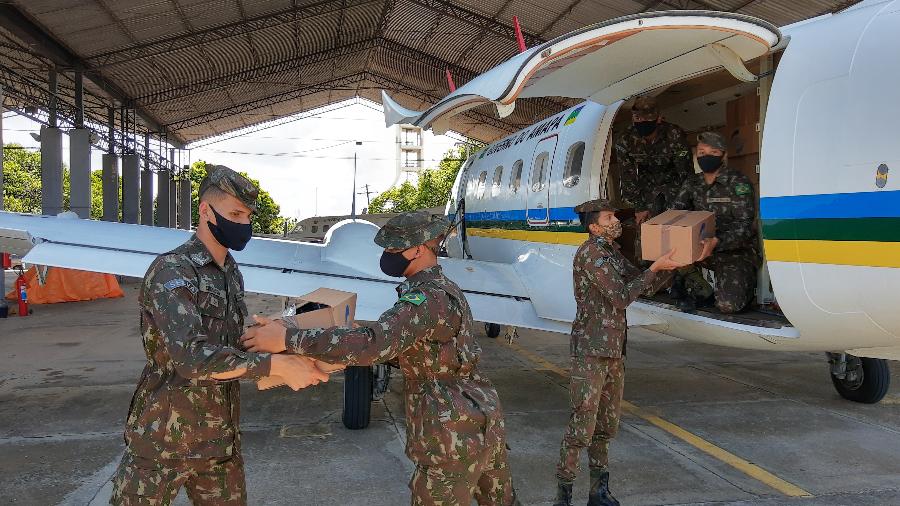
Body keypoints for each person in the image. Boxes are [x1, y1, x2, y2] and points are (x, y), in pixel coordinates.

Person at [241, 211, 520, 506]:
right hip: (482, 418)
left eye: (392, 248)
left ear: (418, 249)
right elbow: (432, 352)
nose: (386, 255)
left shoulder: (424, 299)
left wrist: (286, 339)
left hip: (451, 434)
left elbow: (373, 345)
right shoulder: (445, 289)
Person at [110, 165, 329, 506]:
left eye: (248, 216)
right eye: (235, 214)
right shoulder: (173, 270)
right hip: (163, 439)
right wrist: (275, 365)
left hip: (218, 441)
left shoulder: (229, 272)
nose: (243, 224)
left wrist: (269, 338)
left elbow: (223, 345)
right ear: (204, 210)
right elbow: (191, 359)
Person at [554, 199, 684, 506]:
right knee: (580, 428)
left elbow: (644, 285)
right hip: (591, 351)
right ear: (594, 226)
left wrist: (673, 265)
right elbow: (621, 296)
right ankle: (564, 495)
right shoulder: (591, 254)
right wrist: (653, 269)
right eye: (609, 216)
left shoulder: (611, 252)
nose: (615, 221)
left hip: (613, 351)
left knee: (606, 427)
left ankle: (598, 492)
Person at [671, 131, 761, 314]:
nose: (706, 157)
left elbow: (745, 226)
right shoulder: (692, 183)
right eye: (702, 153)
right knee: (661, 262)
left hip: (734, 252)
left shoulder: (738, 182)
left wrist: (717, 241)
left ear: (724, 155)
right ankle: (700, 288)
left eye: (713, 152)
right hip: (698, 249)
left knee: (728, 305)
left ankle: (743, 288)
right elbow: (677, 213)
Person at [615, 96, 693, 225]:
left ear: (659, 119)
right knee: (646, 230)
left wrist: (683, 201)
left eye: (648, 118)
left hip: (674, 183)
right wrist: (639, 206)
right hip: (646, 187)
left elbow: (686, 173)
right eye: (638, 118)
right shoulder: (625, 139)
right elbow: (627, 175)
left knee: (678, 227)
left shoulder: (674, 134)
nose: (642, 122)